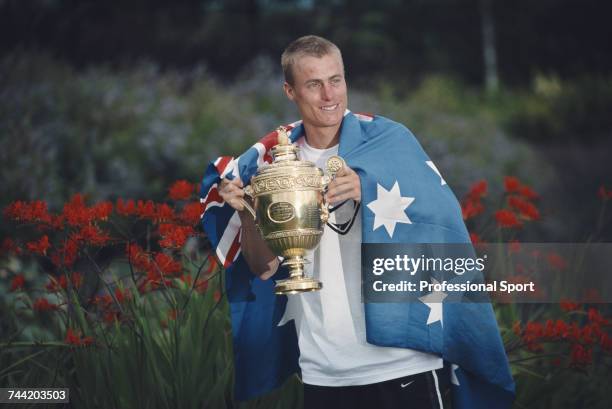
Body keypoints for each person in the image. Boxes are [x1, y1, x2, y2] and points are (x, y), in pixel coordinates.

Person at [201, 35, 514, 409]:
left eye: (336, 80)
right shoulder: (274, 167)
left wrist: (370, 189)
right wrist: (246, 212)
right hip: (324, 369)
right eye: (314, 84)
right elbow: (263, 267)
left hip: (403, 361)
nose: (329, 95)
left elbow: (441, 217)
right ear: (290, 91)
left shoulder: (389, 141)